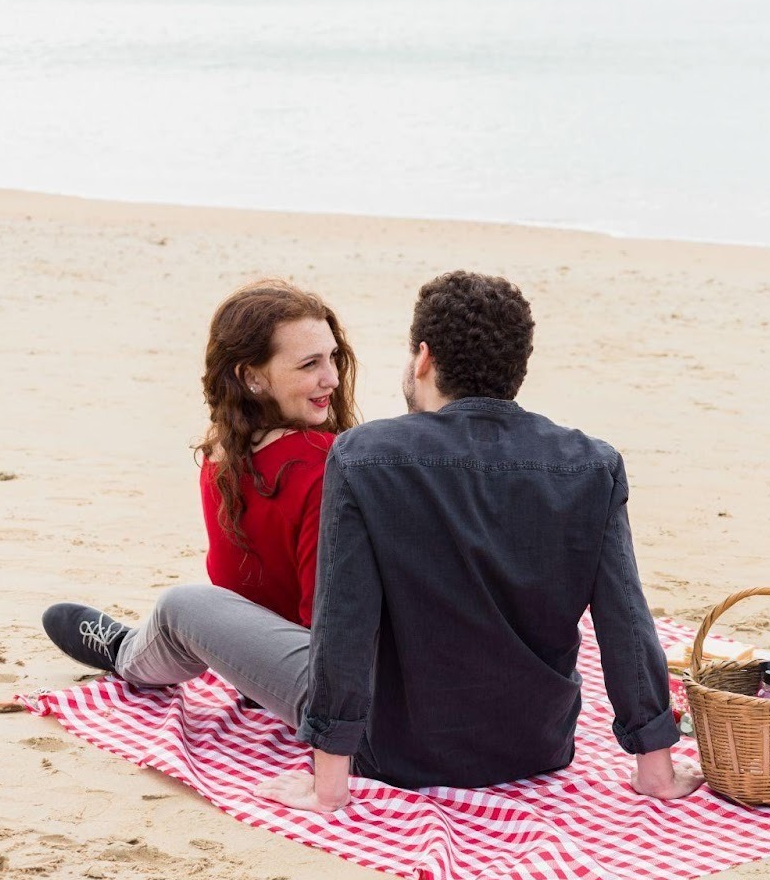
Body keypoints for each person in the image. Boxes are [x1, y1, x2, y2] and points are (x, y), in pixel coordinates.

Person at [42, 271, 702, 808]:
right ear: (518, 367)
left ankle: (134, 654)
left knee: (187, 603)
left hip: (396, 750)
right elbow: (625, 622)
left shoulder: (363, 456)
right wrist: (655, 769)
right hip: (537, 745)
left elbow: (344, 619)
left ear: (424, 358)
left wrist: (328, 784)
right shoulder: (593, 464)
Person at [43, 278, 359, 708]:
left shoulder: (229, 449)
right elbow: (291, 601)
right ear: (252, 378)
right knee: (189, 607)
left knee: (184, 607)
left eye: (332, 358)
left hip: (303, 674)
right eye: (309, 365)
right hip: (293, 666)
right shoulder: (301, 460)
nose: (332, 378)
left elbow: (323, 616)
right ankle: (131, 649)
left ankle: (126, 651)